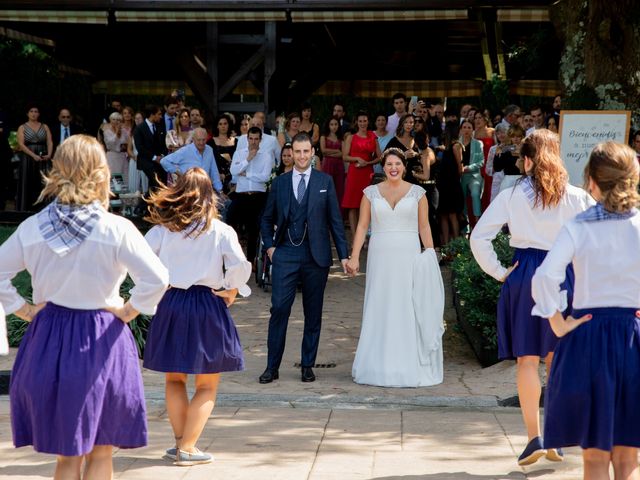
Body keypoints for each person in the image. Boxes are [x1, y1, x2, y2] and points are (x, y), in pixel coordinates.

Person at [1, 135, 168, 479]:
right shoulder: (116, 229)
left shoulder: (32, 228)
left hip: (48, 339)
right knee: (102, 453)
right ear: (101, 173)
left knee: (66, 457)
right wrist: (128, 311)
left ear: (57, 170)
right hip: (103, 339)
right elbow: (157, 278)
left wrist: (26, 310)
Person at [470, 129, 593, 466]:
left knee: (527, 359)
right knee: (556, 359)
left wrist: (499, 271)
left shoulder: (512, 196)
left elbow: (479, 237)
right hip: (563, 274)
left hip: (525, 273)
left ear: (526, 161)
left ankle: (533, 438)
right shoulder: (577, 196)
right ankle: (555, 437)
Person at [532, 142, 640, 480]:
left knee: (594, 460)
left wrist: (558, 323)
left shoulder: (578, 226)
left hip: (588, 337)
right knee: (628, 460)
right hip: (633, 339)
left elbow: (545, 277)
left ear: (591, 180)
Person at [143, 167, 251, 466]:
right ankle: (188, 448)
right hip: (206, 302)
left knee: (174, 378)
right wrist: (231, 290)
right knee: (207, 384)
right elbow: (241, 266)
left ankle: (181, 443)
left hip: (172, 301)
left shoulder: (162, 230)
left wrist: (155, 288)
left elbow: (140, 260)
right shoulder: (220, 230)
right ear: (208, 195)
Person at [346, 148, 444, 387]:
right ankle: (378, 364)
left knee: (407, 304)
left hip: (408, 256)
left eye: (397, 164)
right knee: (381, 304)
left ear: (404, 166)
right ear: (383, 166)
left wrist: (430, 253)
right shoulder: (370, 193)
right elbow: (361, 227)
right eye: (389, 164)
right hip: (380, 257)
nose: (393, 168)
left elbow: (424, 227)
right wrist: (355, 256)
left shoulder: (418, 193)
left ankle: (407, 363)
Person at [259, 132, 349, 384]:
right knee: (279, 309)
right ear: (291, 154)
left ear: (312, 153)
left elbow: (335, 222)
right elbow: (266, 219)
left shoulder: (325, 181)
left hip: (316, 256)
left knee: (313, 313)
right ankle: (271, 367)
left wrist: (344, 256)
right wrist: (269, 247)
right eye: (296, 152)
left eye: (305, 151)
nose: (301, 156)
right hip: (285, 253)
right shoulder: (280, 183)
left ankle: (307, 365)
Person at [228, 126, 274, 264]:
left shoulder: (266, 156)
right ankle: (234, 256)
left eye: (256, 139)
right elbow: (234, 171)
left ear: (260, 140)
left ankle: (251, 259)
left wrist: (247, 174)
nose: (253, 142)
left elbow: (265, 177)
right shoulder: (240, 153)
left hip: (257, 195)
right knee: (230, 220)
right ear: (247, 139)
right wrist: (248, 159)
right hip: (241, 194)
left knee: (254, 227)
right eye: (251, 138)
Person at [341, 111, 381, 241]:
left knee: (366, 204)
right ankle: (356, 237)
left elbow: (380, 156)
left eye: (365, 121)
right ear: (356, 122)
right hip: (354, 172)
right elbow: (345, 156)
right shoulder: (351, 137)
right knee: (353, 205)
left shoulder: (372, 136)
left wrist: (368, 163)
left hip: (367, 172)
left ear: (368, 122)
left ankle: (366, 235)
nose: (363, 123)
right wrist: (357, 158)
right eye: (360, 121)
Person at [160, 128, 223, 192]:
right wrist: (178, 173)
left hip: (204, 189)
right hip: (188, 189)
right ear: (193, 140)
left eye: (203, 140)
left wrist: (220, 190)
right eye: (199, 140)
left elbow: (214, 171)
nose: (201, 143)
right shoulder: (185, 150)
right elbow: (164, 161)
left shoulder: (209, 150)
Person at [16, 104, 53, 211]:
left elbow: (49, 141)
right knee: (27, 181)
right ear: (27, 114)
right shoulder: (22, 127)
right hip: (28, 157)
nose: (34, 113)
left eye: (36, 111)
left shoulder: (45, 126)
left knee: (43, 182)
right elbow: (21, 144)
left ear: (39, 114)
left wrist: (49, 154)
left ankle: (43, 208)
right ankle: (26, 208)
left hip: (43, 158)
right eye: (31, 111)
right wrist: (33, 155)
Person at [436, 121, 464, 244]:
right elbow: (459, 167)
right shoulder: (451, 146)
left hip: (448, 185)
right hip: (447, 184)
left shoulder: (453, 147)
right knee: (445, 215)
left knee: (450, 215)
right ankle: (448, 245)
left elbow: (459, 166)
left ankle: (454, 245)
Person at [134, 104, 167, 194]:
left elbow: (164, 144)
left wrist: (162, 156)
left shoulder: (159, 126)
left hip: (158, 161)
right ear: (152, 115)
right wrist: (154, 157)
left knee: (155, 185)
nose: (161, 117)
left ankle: (143, 206)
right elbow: (140, 148)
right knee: (156, 182)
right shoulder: (139, 129)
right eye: (159, 114)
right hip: (146, 160)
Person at [459, 119, 484, 229]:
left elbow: (481, 162)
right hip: (460, 176)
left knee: (475, 194)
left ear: (473, 130)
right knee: (461, 199)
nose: (467, 130)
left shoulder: (478, 143)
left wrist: (468, 168)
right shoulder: (456, 143)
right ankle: (465, 229)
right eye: (464, 127)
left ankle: (478, 224)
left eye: (469, 127)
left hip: (474, 175)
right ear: (461, 129)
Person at [208, 113, 237, 192]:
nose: (223, 126)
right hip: (216, 178)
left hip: (234, 179)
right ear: (217, 126)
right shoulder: (210, 142)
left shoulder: (236, 141)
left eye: (225, 123)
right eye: (220, 124)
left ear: (229, 125)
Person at [320, 116, 344, 204]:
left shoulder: (341, 138)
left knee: (339, 188)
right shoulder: (323, 137)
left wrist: (330, 153)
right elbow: (323, 151)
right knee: (327, 187)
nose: (334, 126)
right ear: (328, 126)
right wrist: (337, 151)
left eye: (336, 124)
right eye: (331, 124)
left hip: (339, 166)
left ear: (338, 126)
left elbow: (343, 154)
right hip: (327, 165)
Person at [102, 111, 130, 186]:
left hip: (122, 157)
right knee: (114, 179)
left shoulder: (124, 131)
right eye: (114, 119)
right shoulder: (107, 132)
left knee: (124, 178)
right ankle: (114, 195)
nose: (116, 122)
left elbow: (128, 142)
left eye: (118, 120)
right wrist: (117, 133)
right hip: (112, 157)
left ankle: (123, 195)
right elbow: (110, 143)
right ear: (110, 120)